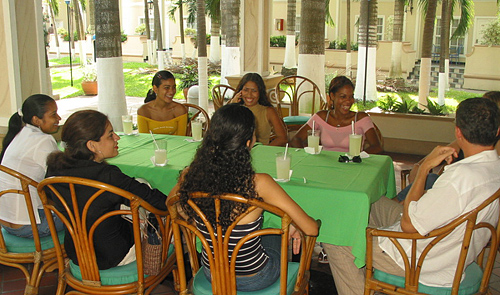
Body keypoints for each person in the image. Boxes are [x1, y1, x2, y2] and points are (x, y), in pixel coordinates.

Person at [324, 97, 500, 295]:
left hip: (422, 260)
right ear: (497, 131)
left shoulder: (460, 178)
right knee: (368, 201)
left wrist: (425, 167)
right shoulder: (494, 167)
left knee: (335, 238)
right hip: (446, 246)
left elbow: (409, 226)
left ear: (458, 132)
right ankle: (367, 280)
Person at [168, 103, 318, 291]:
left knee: (266, 235)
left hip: (211, 273)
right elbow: (311, 229)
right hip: (255, 278)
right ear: (248, 142)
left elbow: (171, 203)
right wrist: (294, 225)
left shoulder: (190, 175)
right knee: (277, 234)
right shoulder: (259, 183)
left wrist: (196, 221)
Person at [45, 110, 168, 270]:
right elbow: (160, 203)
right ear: (92, 145)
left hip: (77, 253)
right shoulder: (107, 177)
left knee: (136, 188)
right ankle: (179, 259)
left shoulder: (54, 170)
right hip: (114, 256)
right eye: (110, 135)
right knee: (160, 215)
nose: (117, 137)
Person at [396, 90, 500, 202]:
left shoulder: (471, 169)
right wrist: (420, 165)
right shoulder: (473, 138)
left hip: (453, 191)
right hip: (449, 189)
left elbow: (409, 217)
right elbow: (445, 151)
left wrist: (423, 182)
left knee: (382, 205)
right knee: (430, 179)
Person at [0, 94, 64, 238]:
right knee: (85, 213)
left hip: (6, 222)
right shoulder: (44, 140)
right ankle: (78, 258)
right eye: (53, 114)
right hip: (29, 227)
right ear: (36, 120)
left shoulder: (21, 134)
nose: (59, 118)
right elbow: (60, 179)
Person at [290, 75, 382, 153]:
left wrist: (358, 158)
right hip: (325, 166)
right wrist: (307, 156)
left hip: (352, 167)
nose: (348, 101)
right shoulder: (321, 117)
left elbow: (377, 147)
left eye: (351, 97)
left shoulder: (361, 118)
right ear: (332, 96)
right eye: (343, 97)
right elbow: (296, 139)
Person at [230, 73, 287, 146]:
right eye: (246, 90)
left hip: (260, 152)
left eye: (254, 91)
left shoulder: (268, 111)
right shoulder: (234, 108)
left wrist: (265, 151)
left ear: (260, 92)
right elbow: (221, 131)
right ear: (240, 91)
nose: (249, 94)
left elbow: (283, 138)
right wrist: (232, 106)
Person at [137, 70, 188, 135]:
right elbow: (143, 139)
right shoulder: (144, 111)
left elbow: (182, 139)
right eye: (167, 88)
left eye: (173, 87)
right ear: (155, 89)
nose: (171, 92)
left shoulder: (180, 110)